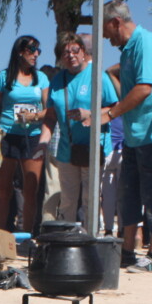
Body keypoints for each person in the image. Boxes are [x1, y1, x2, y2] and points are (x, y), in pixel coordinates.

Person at [99, 0, 152, 268]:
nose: (104, 36)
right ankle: (127, 251)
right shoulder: (127, 50)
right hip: (134, 136)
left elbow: (145, 88)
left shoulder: (145, 43)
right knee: (128, 193)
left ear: (115, 22)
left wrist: (111, 113)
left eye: (105, 29)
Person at [39, 33, 118, 225]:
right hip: (68, 150)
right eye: (66, 53)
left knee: (90, 200)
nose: (71, 55)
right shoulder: (58, 80)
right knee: (67, 200)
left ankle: (90, 241)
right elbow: (51, 115)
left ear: (83, 52)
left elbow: (115, 108)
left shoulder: (99, 77)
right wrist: (43, 140)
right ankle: (67, 243)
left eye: (75, 50)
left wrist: (90, 114)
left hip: (93, 149)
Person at [0, 35, 49, 233]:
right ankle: (0, 234)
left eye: (38, 50)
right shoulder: (5, 77)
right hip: (7, 135)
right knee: (3, 190)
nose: (36, 54)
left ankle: (28, 235)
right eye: (32, 50)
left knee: (30, 189)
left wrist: (34, 116)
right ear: (20, 51)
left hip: (32, 136)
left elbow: (50, 109)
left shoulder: (42, 78)